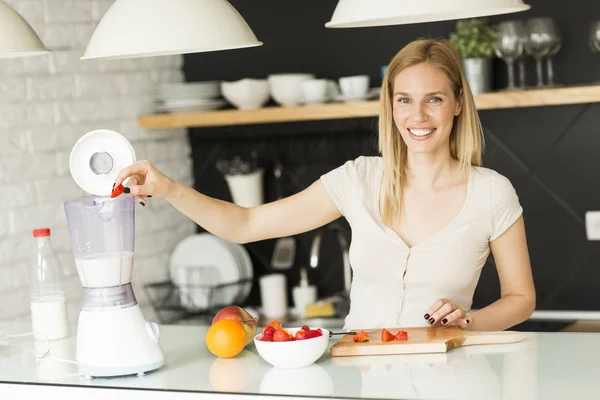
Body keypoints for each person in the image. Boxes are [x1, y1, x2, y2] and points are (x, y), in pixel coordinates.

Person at [114, 39, 535, 331]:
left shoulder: (491, 192)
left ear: (459, 103)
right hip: (364, 379)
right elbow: (245, 224)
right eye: (404, 99)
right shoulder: (358, 179)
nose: (417, 116)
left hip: (450, 378)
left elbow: (521, 297)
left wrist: (469, 320)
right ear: (390, 107)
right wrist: (168, 188)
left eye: (434, 99)